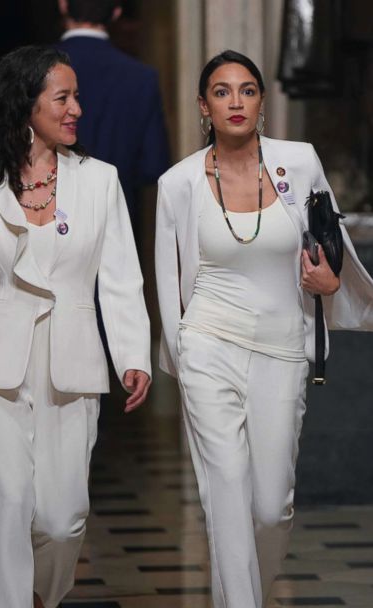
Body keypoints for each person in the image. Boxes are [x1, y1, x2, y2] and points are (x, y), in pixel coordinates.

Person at [0, 45, 151, 608]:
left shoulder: (100, 181)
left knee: (63, 520)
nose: (77, 109)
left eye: (77, 97)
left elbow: (120, 278)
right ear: (25, 103)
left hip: (72, 364)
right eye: (63, 97)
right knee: (8, 502)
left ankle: (43, 596)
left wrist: (133, 354)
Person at [155, 50, 373, 608]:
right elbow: (168, 278)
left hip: (281, 346)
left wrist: (330, 284)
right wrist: (181, 354)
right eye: (222, 92)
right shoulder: (178, 182)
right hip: (208, 341)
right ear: (204, 106)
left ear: (262, 102)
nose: (236, 101)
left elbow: (332, 245)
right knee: (225, 493)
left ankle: (249, 591)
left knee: (271, 508)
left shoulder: (297, 163)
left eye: (247, 90)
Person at [57, 0, 170, 227]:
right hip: (117, 216)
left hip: (49, 214)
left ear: (62, 5)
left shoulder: (34, 69)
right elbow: (153, 165)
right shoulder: (141, 77)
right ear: (117, 11)